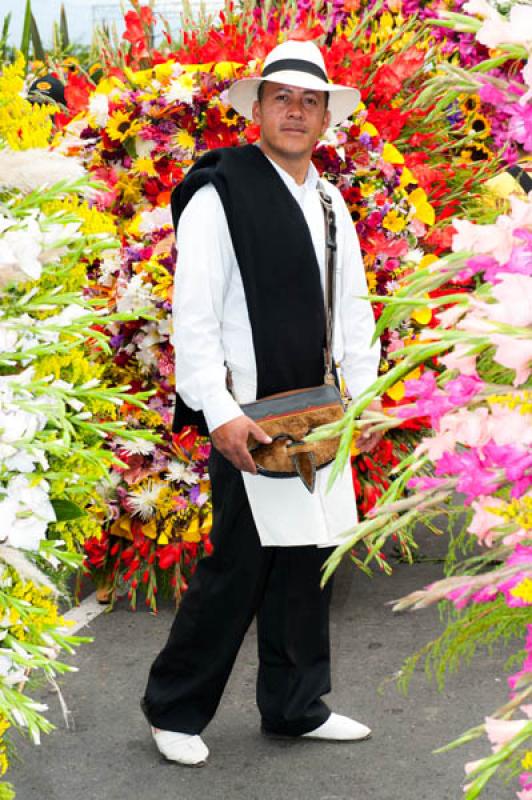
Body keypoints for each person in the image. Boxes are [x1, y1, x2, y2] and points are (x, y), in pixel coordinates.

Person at [141, 40, 381, 767]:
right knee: (238, 567)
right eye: (283, 98)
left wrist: (362, 404)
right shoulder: (219, 195)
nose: (297, 112)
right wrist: (217, 412)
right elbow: (195, 317)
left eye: (310, 102)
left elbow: (354, 312)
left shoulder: (332, 201)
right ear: (256, 109)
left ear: (326, 118)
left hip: (317, 416)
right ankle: (173, 708)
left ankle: (295, 706)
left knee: (307, 565)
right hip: (250, 419)